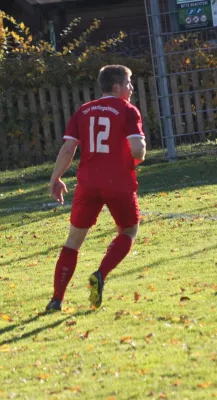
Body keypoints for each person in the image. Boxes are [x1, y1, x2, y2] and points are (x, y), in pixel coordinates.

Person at [45, 65, 147, 312]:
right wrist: (134, 157)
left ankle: (56, 299)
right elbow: (137, 151)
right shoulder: (128, 111)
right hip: (119, 183)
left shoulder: (84, 111)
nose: (131, 88)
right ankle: (100, 274)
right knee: (129, 231)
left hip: (88, 184)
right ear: (116, 87)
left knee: (73, 241)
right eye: (128, 83)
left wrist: (56, 178)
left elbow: (68, 149)